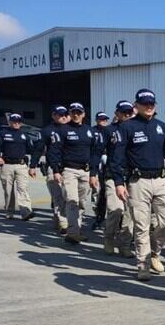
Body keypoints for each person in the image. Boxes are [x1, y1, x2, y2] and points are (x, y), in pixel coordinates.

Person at [111, 89, 165, 280]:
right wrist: (118, 182)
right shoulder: (126, 127)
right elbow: (117, 158)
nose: (149, 106)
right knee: (141, 225)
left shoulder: (160, 126)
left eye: (152, 103)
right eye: (144, 103)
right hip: (137, 182)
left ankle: (155, 253)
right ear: (136, 105)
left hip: (161, 181)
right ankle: (143, 265)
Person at [47, 102, 102, 244]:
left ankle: (76, 230)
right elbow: (54, 151)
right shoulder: (63, 130)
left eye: (79, 112)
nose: (76, 115)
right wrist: (56, 171)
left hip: (86, 171)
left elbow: (96, 153)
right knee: (72, 200)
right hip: (69, 171)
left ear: (83, 114)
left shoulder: (90, 131)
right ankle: (72, 233)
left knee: (82, 203)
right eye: (73, 112)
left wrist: (93, 174)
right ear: (69, 114)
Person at [102, 101, 136, 257]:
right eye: (124, 112)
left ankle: (124, 244)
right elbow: (97, 151)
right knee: (116, 210)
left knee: (130, 213)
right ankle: (109, 238)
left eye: (130, 112)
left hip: (132, 176)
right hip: (113, 174)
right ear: (117, 114)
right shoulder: (109, 131)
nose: (127, 115)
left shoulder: (137, 129)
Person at [30, 106, 70, 233]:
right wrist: (32, 165)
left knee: (69, 196)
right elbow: (38, 149)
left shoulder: (72, 130)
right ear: (53, 115)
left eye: (65, 114)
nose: (62, 117)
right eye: (59, 115)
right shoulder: (47, 131)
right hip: (53, 167)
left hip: (70, 167)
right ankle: (63, 224)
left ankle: (60, 219)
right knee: (58, 196)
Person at [0, 113, 36, 220]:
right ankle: (9, 212)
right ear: (9, 122)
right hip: (7, 165)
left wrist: (33, 164)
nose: (16, 123)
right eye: (14, 121)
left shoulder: (25, 135)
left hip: (21, 166)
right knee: (8, 190)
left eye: (18, 121)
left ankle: (26, 212)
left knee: (23, 188)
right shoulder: (2, 134)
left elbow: (32, 150)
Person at [91, 111, 112, 230]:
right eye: (101, 119)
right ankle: (99, 217)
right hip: (98, 161)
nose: (103, 121)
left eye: (105, 119)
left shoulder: (109, 131)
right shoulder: (92, 132)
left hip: (109, 162)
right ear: (97, 120)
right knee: (99, 192)